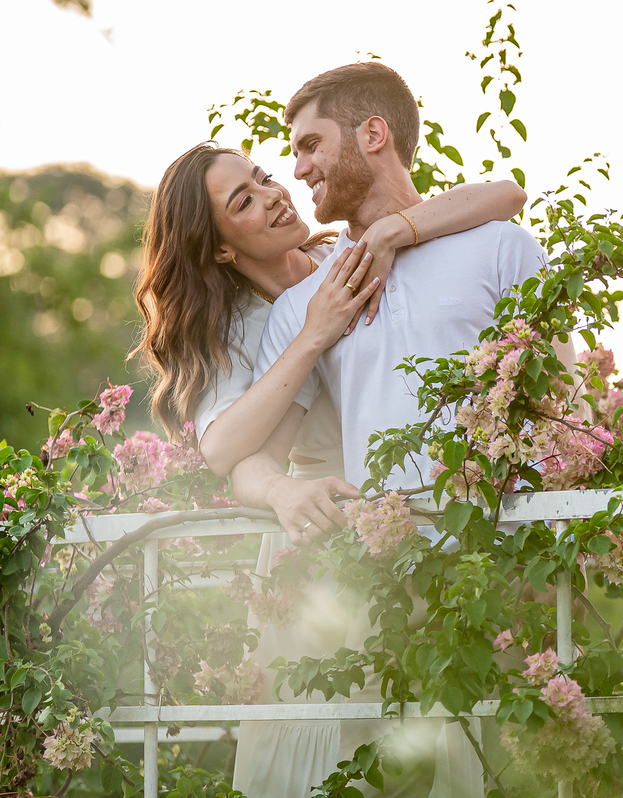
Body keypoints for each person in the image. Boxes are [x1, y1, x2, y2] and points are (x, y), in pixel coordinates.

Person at [133, 142, 526, 798]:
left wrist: (395, 231)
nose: (273, 195)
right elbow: (227, 452)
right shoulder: (234, 330)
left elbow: (505, 195)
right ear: (220, 248)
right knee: (335, 745)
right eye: (244, 201)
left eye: (263, 178)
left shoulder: (344, 254)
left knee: (434, 729)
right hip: (325, 544)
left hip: (420, 530)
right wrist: (315, 332)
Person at [233, 61, 563, 798]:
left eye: (312, 144)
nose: (299, 168)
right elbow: (253, 459)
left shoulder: (501, 248)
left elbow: (566, 413)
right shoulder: (305, 306)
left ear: (373, 133)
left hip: (503, 578)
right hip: (377, 600)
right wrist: (281, 492)